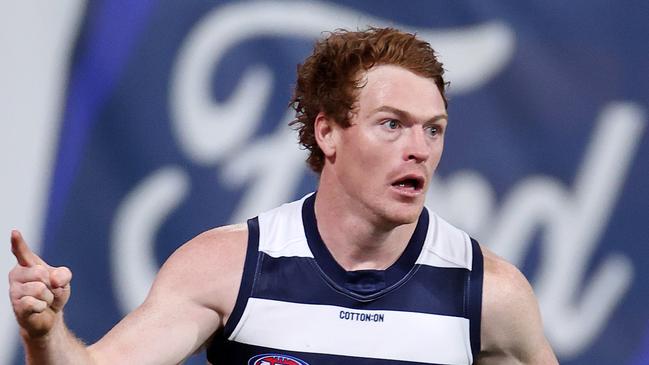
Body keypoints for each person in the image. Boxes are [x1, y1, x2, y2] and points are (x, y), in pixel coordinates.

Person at [9, 27, 558, 364]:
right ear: (328, 132)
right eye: (392, 124)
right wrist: (45, 333)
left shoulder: (490, 294)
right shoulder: (227, 267)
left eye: (433, 129)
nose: (419, 148)